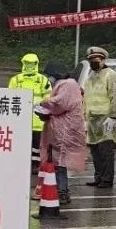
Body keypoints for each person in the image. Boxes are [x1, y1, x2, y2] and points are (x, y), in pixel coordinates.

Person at [35, 62, 86, 204]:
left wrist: (44, 103)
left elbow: (60, 104)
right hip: (62, 128)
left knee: (60, 163)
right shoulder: (67, 84)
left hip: (65, 129)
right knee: (57, 162)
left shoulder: (67, 85)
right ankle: (60, 191)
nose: (49, 79)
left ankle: (62, 193)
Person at [82, 47, 116, 189]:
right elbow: (87, 98)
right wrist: (84, 117)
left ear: (103, 60)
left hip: (106, 119)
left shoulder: (111, 76)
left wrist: (113, 116)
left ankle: (107, 179)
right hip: (92, 119)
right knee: (95, 150)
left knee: (105, 150)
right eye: (91, 60)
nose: (93, 62)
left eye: (96, 60)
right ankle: (98, 176)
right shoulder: (90, 77)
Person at [9, 52, 52, 154]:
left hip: (36, 123)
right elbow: (9, 100)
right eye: (27, 63)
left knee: (35, 150)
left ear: (36, 64)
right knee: (22, 150)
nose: (29, 66)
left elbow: (48, 100)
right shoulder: (16, 80)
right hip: (23, 122)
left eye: (31, 63)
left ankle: (34, 163)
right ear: (23, 64)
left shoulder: (42, 80)